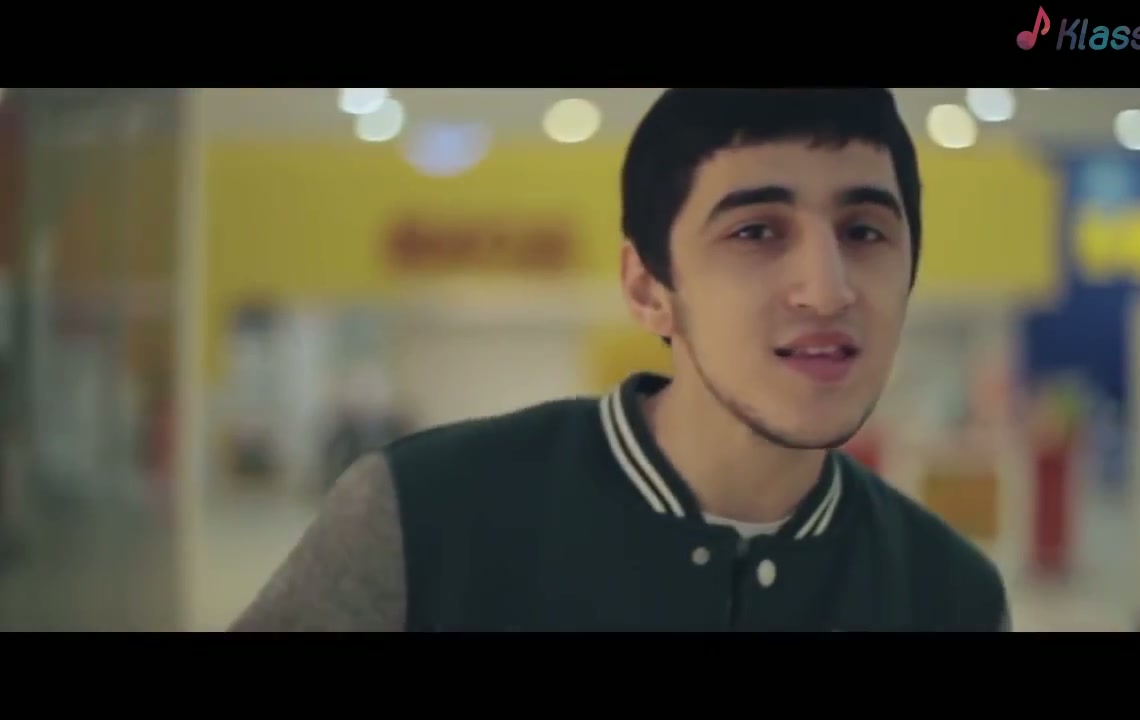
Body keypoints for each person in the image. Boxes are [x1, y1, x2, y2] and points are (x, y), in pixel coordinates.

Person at [231, 88, 1011, 632]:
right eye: (755, 232)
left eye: (865, 231)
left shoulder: (950, 595)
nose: (827, 289)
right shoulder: (421, 518)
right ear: (648, 289)